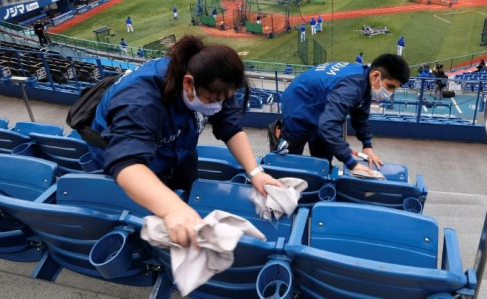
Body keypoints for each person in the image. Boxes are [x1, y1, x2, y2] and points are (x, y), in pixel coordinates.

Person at [87, 36, 281, 247]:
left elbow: (231, 128)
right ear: (188, 83)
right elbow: (127, 163)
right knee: (156, 211)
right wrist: (172, 209)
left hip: (178, 147)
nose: (218, 106)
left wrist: (255, 173)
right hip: (132, 159)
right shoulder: (140, 98)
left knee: (182, 199)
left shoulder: (214, 78)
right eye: (214, 100)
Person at [280, 54, 410, 175]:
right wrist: (351, 163)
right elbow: (328, 125)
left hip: (321, 106)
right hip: (298, 107)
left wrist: (367, 146)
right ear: (376, 76)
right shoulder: (351, 88)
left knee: (323, 162)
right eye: (390, 86)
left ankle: (320, 183)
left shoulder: (365, 79)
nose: (390, 92)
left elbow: (360, 115)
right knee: (290, 162)